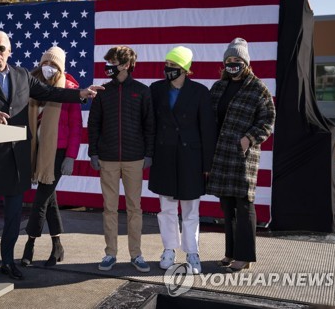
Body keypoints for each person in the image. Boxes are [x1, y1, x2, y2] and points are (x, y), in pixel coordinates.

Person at [0, 30, 102, 280]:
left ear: (10, 50)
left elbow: (51, 93)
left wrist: (80, 93)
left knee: (13, 217)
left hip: (19, 160)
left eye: (1, 48)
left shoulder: (22, 75)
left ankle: (7, 261)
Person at [206, 38, 275, 272]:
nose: (232, 64)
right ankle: (230, 253)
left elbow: (268, 120)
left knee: (244, 205)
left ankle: (244, 257)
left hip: (243, 155)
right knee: (227, 206)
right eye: (229, 60)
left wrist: (249, 138)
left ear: (245, 62)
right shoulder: (218, 87)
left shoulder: (258, 88)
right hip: (221, 155)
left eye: (237, 60)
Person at [148, 46, 217, 273]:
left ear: (186, 69)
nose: (169, 69)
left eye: (174, 66)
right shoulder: (156, 89)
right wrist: (149, 155)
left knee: (190, 210)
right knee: (166, 209)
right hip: (165, 156)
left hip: (191, 158)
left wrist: (207, 164)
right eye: (167, 65)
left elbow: (208, 130)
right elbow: (150, 126)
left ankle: (192, 252)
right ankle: (169, 249)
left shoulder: (200, 92)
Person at [87, 45, 155, 273]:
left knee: (135, 208)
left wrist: (148, 154)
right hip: (107, 159)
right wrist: (93, 153)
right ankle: (110, 254)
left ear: (126, 65)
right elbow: (94, 124)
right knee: (109, 208)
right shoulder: (102, 92)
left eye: (112, 63)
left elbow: (149, 126)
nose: (108, 67)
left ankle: (136, 254)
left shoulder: (142, 91)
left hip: (135, 159)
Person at [21, 46, 82, 267]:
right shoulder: (33, 87)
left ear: (61, 68)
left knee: (40, 200)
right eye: (46, 63)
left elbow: (76, 127)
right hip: (38, 151)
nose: (49, 68)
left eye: (54, 65)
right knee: (50, 198)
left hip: (58, 152)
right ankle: (57, 247)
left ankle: (29, 245)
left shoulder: (69, 90)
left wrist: (71, 157)